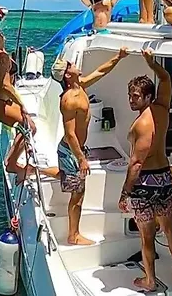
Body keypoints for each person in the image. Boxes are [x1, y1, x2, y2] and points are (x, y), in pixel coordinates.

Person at [119, 48, 172, 291]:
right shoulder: (162, 110)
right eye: (129, 95)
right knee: (169, 230)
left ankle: (150, 280)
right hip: (164, 177)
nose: (131, 100)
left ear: (147, 97)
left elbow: (136, 163)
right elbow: (166, 78)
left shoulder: (141, 124)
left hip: (144, 183)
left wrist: (125, 193)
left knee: (146, 236)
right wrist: (151, 63)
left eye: (135, 96)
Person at [51, 47, 129, 245]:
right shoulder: (69, 99)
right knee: (78, 195)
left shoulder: (81, 86)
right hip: (71, 151)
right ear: (67, 75)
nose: (75, 65)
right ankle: (73, 235)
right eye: (71, 65)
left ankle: (36, 170)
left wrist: (118, 57)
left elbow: (101, 71)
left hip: (75, 149)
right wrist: (81, 159)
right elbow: (70, 134)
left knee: (75, 185)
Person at [0, 27, 59, 184]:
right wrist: (21, 104)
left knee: (25, 126)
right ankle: (11, 164)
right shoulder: (1, 56)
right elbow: (5, 85)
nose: (3, 35)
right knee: (30, 127)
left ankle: (20, 156)